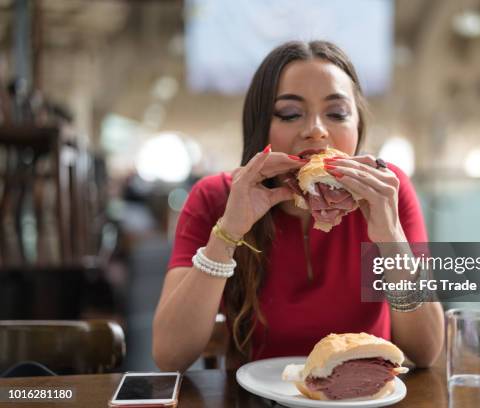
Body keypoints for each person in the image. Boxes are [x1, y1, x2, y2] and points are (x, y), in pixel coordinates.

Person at [153, 40, 444, 372]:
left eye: (336, 114)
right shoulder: (215, 196)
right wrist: (228, 232)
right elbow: (168, 355)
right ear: (260, 127)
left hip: (363, 398)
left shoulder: (388, 191)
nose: (316, 131)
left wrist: (390, 236)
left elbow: (426, 350)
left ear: (358, 127)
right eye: (291, 114)